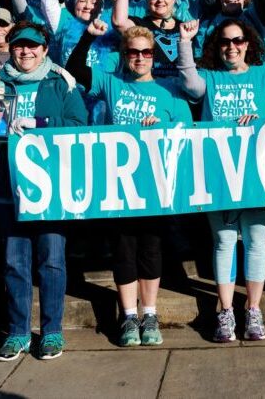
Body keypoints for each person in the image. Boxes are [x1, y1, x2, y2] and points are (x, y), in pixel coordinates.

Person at [0, 21, 87, 361]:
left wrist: (41, 126)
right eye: (19, 45)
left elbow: (79, 127)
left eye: (33, 46)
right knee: (14, 263)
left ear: (45, 49)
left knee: (52, 261)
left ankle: (51, 332)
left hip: (50, 191)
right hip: (8, 188)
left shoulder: (60, 81)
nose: (25, 51)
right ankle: (18, 332)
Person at [66, 23, 191, 347]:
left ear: (153, 56)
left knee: (150, 248)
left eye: (145, 52)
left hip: (155, 186)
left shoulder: (170, 89)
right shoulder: (112, 82)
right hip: (119, 186)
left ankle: (149, 312)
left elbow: (187, 132)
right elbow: (74, 69)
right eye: (133, 52)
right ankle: (128, 315)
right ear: (124, 55)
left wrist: (163, 125)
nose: (139, 57)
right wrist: (89, 35)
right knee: (123, 250)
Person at [177, 18, 265, 343]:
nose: (231, 47)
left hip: (257, 172)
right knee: (223, 241)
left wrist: (262, 121)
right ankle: (225, 310)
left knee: (255, 240)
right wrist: (184, 42)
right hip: (218, 175)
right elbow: (190, 84)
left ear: (248, 43)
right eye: (224, 42)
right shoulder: (210, 76)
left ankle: (253, 308)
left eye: (237, 40)